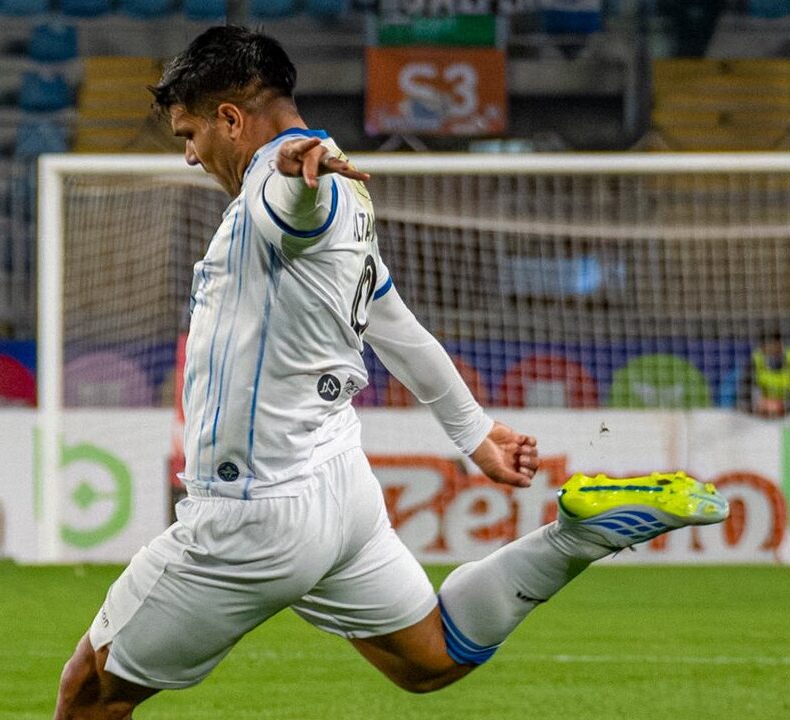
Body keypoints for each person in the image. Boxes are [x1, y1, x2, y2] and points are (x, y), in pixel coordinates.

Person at [52, 26, 730, 719]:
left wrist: (296, 177)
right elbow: (392, 318)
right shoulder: (349, 192)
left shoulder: (285, 178)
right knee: (432, 655)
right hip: (338, 487)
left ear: (231, 119)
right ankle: (577, 538)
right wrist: (475, 432)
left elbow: (292, 209)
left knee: (87, 694)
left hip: (255, 510)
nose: (191, 156)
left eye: (189, 134)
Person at [744, 333, 790, 418]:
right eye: (767, 345)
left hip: (789, 406)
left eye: (775, 344)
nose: (771, 348)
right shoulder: (755, 360)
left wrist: (786, 404)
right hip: (764, 406)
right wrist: (759, 403)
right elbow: (747, 389)